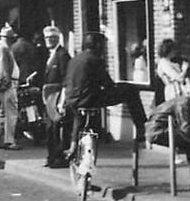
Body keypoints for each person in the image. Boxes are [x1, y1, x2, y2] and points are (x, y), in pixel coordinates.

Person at [62, 31, 147, 160]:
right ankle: (142, 129)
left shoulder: (74, 59)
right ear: (97, 45)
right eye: (102, 45)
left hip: (72, 99)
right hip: (90, 99)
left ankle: (73, 147)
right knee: (131, 90)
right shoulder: (95, 59)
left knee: (79, 118)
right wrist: (117, 87)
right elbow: (107, 84)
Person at [40, 25, 71, 167]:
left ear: (57, 39)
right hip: (48, 96)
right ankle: (51, 157)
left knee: (56, 128)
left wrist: (62, 101)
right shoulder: (48, 54)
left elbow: (66, 78)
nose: (49, 40)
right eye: (47, 38)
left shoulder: (62, 55)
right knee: (49, 128)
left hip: (57, 95)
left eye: (52, 38)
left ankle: (59, 158)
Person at [0, 24, 21, 150]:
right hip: (8, 84)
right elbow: (4, 68)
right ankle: (9, 141)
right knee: (11, 112)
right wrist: (8, 82)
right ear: (9, 38)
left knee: (3, 113)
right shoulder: (4, 48)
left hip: (3, 83)